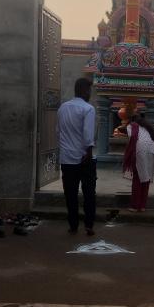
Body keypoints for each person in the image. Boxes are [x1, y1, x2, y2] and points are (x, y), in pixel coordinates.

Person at [57, 77, 97, 236]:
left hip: (67, 158)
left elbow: (58, 131)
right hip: (84, 157)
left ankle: (73, 225)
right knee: (89, 193)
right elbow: (88, 134)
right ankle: (89, 225)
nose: (90, 94)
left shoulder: (62, 108)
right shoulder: (88, 109)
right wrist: (89, 152)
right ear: (84, 90)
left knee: (70, 194)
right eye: (89, 90)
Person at [122, 112, 154, 212]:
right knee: (146, 178)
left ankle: (135, 206)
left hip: (140, 150)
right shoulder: (147, 127)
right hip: (151, 151)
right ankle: (142, 206)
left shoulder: (131, 125)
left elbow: (132, 138)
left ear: (132, 120)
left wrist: (128, 154)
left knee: (137, 178)